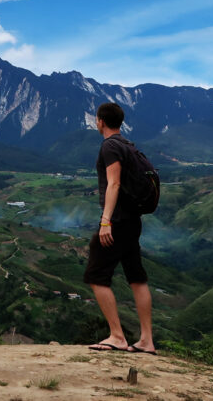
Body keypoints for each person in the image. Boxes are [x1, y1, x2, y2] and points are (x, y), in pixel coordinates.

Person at [84, 101, 156, 355]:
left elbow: (113, 184)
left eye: (96, 119)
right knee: (137, 277)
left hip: (118, 221)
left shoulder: (110, 146)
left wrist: (106, 221)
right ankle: (147, 340)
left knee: (95, 274)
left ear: (101, 121)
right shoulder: (128, 145)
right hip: (133, 220)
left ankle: (117, 336)